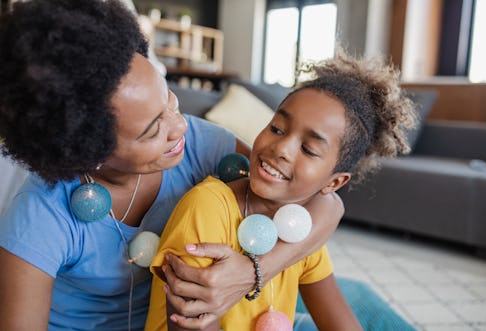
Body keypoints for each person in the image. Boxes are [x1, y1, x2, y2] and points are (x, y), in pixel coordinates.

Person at [0, 1, 343, 330]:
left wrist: (254, 272)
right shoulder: (41, 216)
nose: (179, 128)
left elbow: (328, 203)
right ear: (89, 154)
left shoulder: (200, 145)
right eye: (153, 130)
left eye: (170, 102)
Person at [146, 50, 416, 331]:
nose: (281, 148)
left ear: (334, 183)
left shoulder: (299, 224)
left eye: (309, 149)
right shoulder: (208, 207)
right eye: (277, 128)